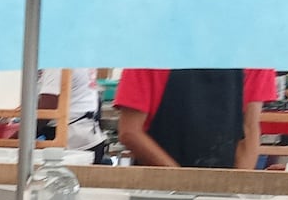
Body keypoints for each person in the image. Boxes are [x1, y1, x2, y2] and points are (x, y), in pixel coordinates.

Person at [114, 68, 276, 169]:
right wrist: (185, 185)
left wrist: (236, 192)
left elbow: (249, 128)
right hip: (156, 190)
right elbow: (131, 132)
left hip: (220, 193)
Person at [38, 68, 106, 163]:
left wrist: (16, 138)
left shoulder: (56, 65)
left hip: (71, 144)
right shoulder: (78, 58)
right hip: (88, 136)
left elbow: (46, 110)